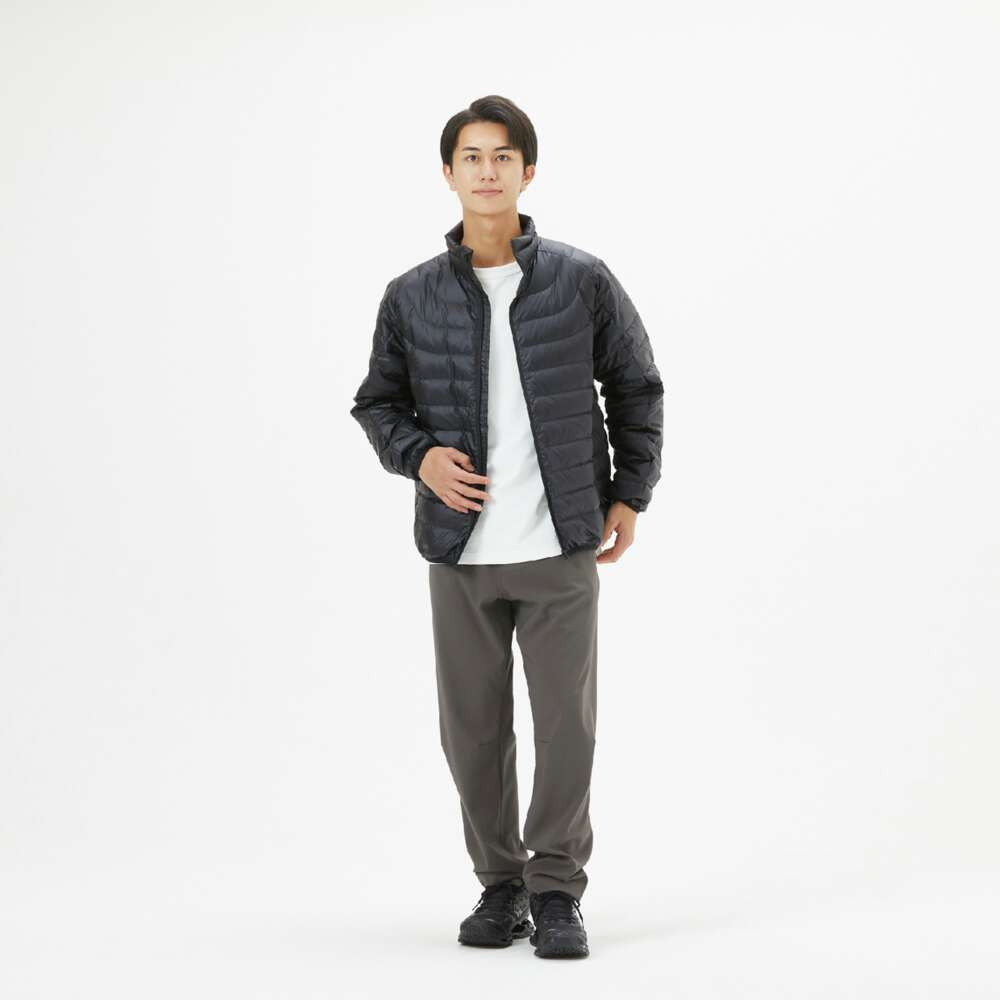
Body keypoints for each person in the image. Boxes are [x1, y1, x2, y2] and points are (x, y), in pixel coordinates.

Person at [350, 95, 664, 959]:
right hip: (461, 551)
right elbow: (377, 403)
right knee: (474, 731)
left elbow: (636, 385)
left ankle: (556, 891)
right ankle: (501, 886)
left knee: (567, 728)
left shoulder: (581, 279)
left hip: (560, 541)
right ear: (447, 173)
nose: (486, 171)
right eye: (470, 157)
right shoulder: (411, 295)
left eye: (502, 157)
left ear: (528, 171)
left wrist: (630, 492)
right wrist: (419, 457)